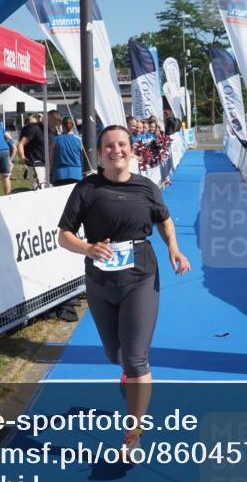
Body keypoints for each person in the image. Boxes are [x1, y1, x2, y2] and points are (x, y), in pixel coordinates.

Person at [58, 125, 190, 460]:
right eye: (108, 146)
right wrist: (87, 248)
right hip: (101, 282)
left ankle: (133, 433)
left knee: (136, 358)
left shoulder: (146, 187)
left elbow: (164, 220)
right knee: (116, 355)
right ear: (100, 153)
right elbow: (64, 235)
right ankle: (128, 375)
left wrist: (174, 248)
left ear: (132, 150)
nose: (115, 150)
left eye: (121, 145)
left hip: (140, 277)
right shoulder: (87, 188)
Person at [17, 113, 48, 189]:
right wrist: (23, 157)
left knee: (42, 186)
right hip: (34, 161)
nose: (39, 119)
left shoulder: (42, 129)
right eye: (38, 117)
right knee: (38, 187)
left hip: (40, 161)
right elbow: (21, 144)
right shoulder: (30, 129)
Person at [52, 116, 84, 186]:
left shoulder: (56, 140)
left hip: (59, 175)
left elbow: (51, 158)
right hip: (77, 175)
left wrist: (49, 173)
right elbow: (83, 159)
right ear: (73, 126)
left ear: (62, 126)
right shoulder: (79, 140)